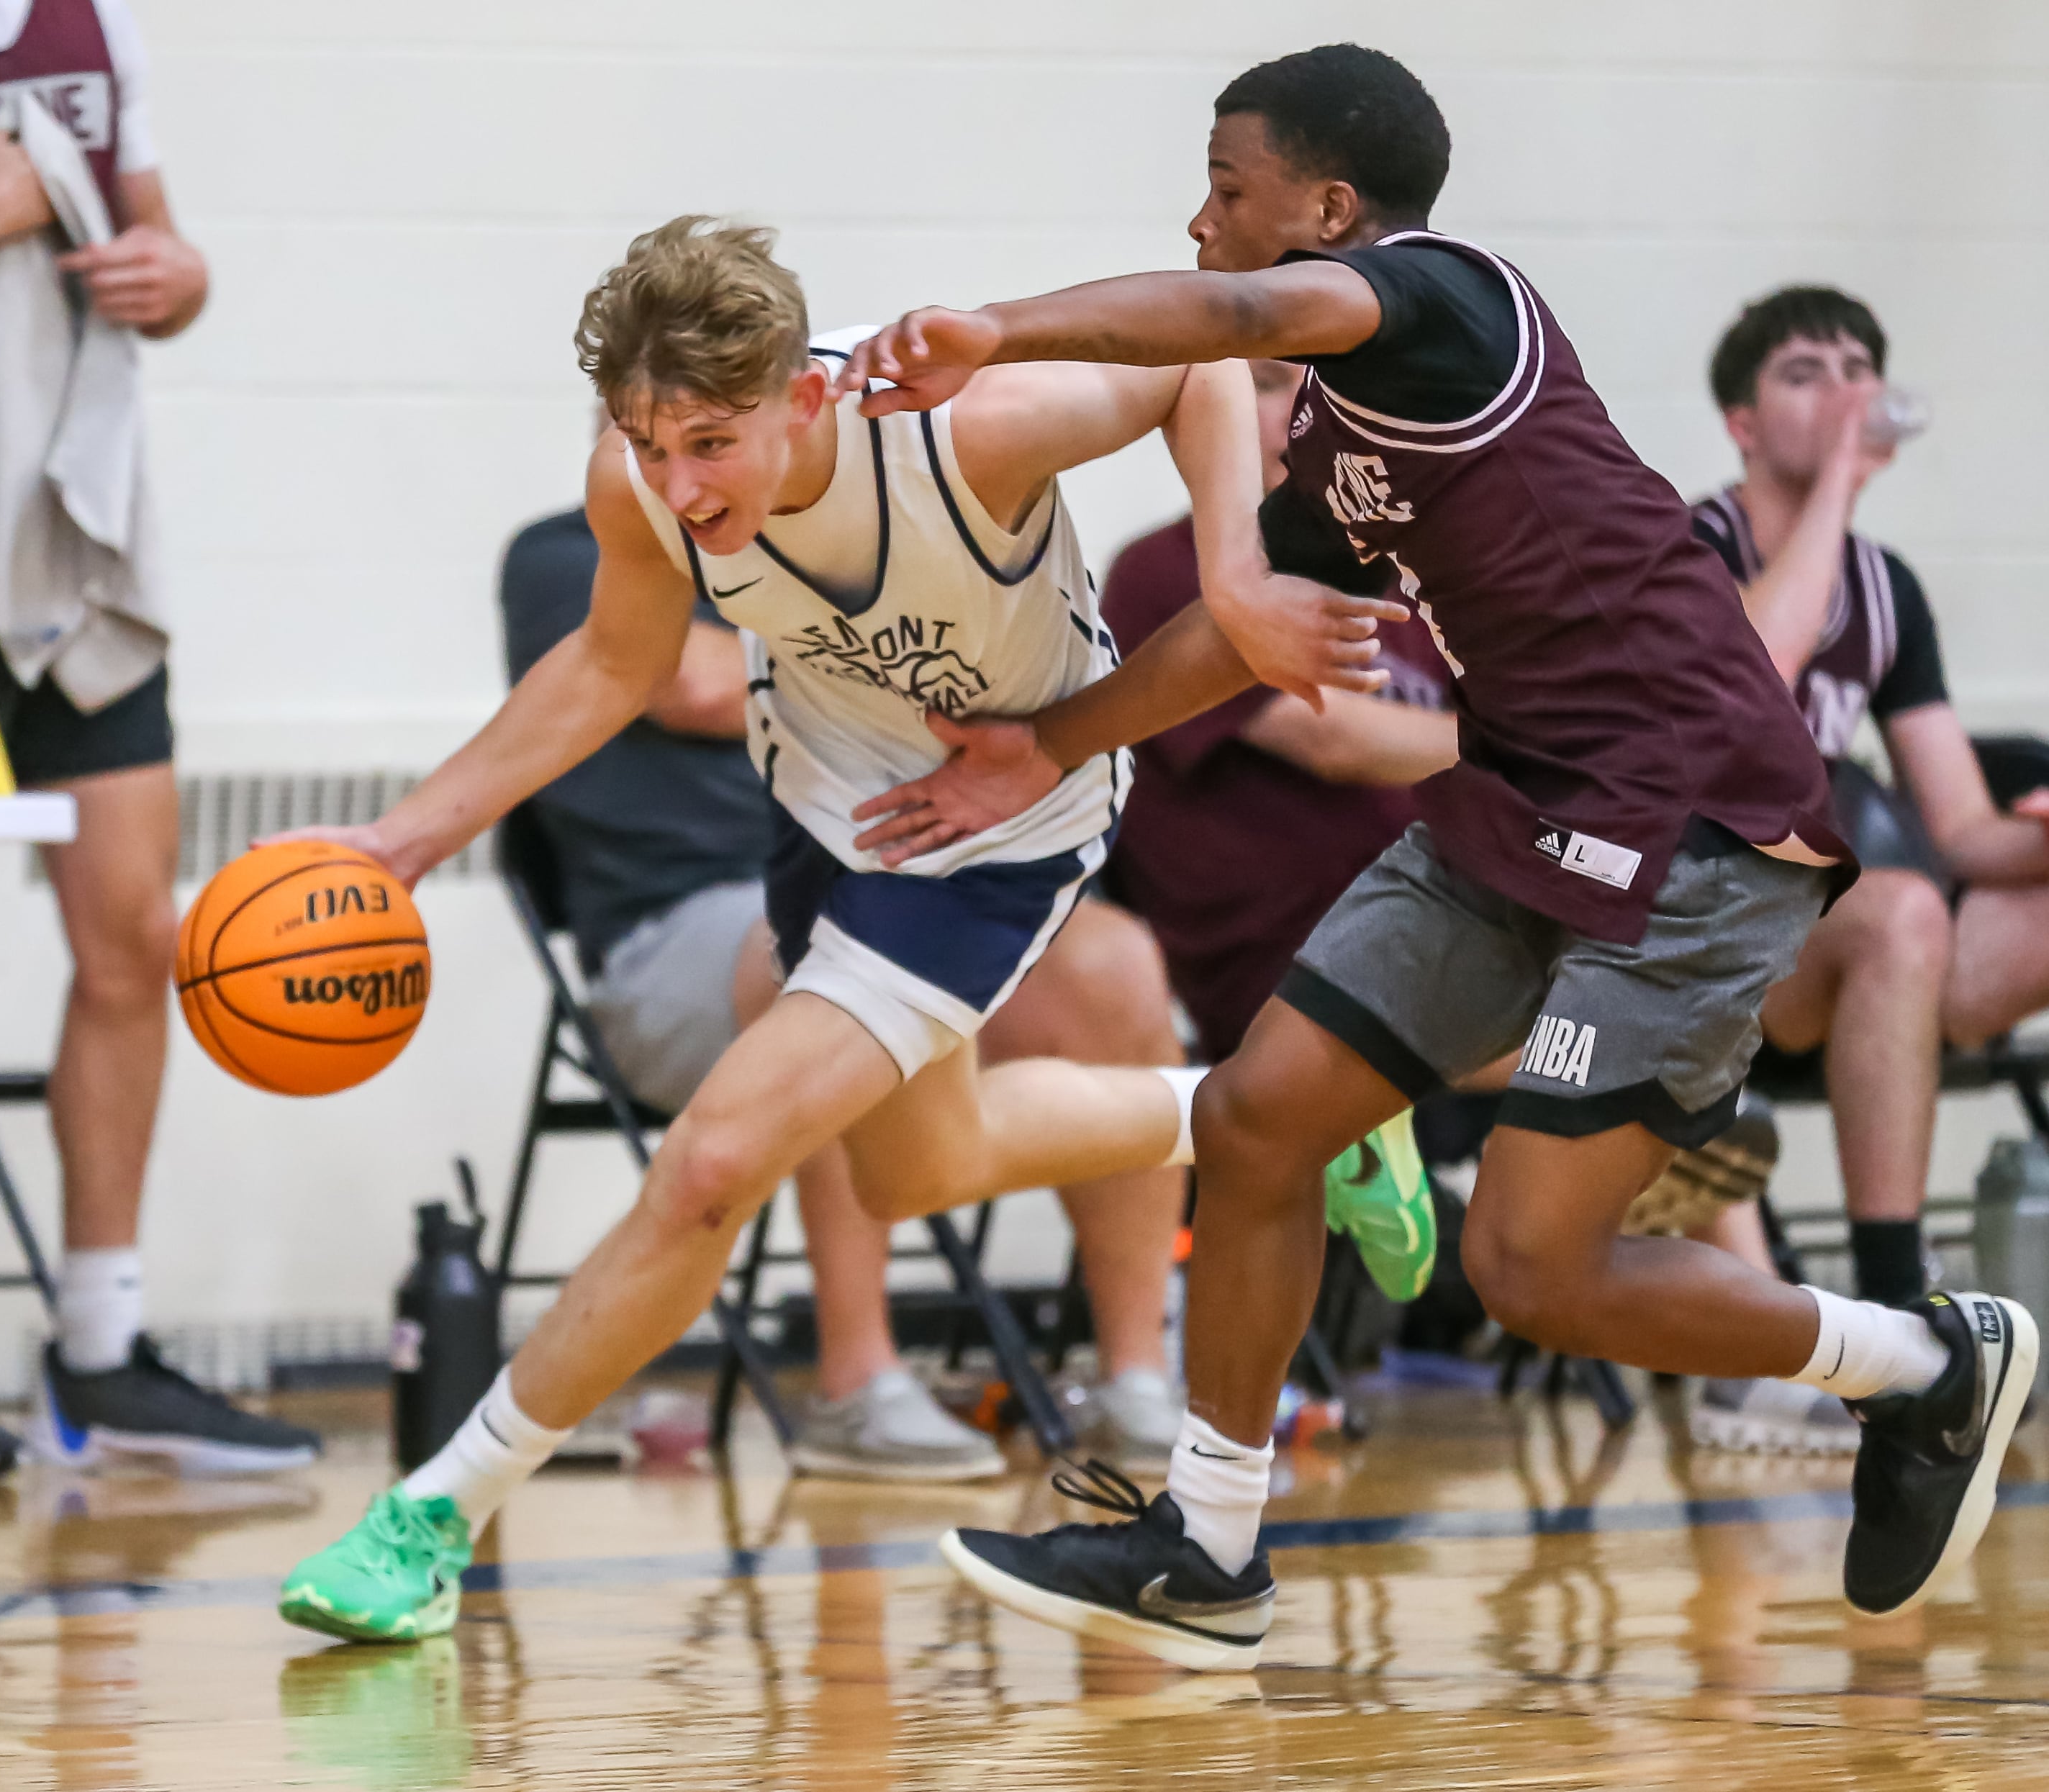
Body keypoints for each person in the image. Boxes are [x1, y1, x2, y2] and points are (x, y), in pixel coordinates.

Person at [838, 43, 2033, 1667]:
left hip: (1685, 816)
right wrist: (1046, 745)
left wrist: (1003, 328)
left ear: (1328, 211)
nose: (1198, 224)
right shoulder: (1342, 441)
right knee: (1258, 1122)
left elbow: (1235, 320)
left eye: (1226, 188)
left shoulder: (1450, 298)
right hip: (1516, 800)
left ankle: (1919, 1364)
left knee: (1530, 1265)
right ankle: (1208, 1547)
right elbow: (1243, 633)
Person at [273, 214, 1403, 1644]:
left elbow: (1196, 358)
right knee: (930, 1166)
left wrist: (1233, 579)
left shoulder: (967, 429)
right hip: (830, 809)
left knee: (712, 1165)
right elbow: (615, 663)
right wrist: (398, 842)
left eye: (708, 444)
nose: (678, 485)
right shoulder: (641, 482)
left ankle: (434, 1514)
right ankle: (1287, 1116)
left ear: (801, 397)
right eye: (648, 443)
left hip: (999, 823)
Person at [0, 0, 318, 1480]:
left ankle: (101, 1349)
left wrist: (183, 276)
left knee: (131, 937)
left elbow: (163, 251)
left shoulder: (98, 26)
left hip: (74, 565)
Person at [500, 505, 1189, 1478]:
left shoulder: (849, 543)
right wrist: (888, 661)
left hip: (894, 885)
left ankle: (1137, 1376)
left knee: (1110, 963)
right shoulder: (567, 554)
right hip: (673, 944)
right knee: (822, 952)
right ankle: (856, 1380)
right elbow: (684, 680)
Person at [1673, 286, 2049, 1455]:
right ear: (1740, 421)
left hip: (1842, 940)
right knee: (1893, 910)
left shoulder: (1887, 589)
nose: (1844, 392)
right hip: (1697, 923)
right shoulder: (1690, 542)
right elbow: (1760, 663)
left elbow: (1966, 828)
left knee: (1946, 907)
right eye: (1804, 373)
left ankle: (1907, 1280)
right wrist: (1842, 474)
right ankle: (1896, 1297)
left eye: (1857, 369)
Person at [1101, 356, 1455, 1301]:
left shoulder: (1411, 580)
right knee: (1617, 1025)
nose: (1298, 408)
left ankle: (1602, 1169)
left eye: (1320, 386)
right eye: (1265, 384)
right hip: (1282, 962)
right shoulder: (1163, 573)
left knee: (1636, 938)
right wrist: (1518, 749)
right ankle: (1633, 1114)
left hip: (1434, 919)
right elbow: (1332, 735)